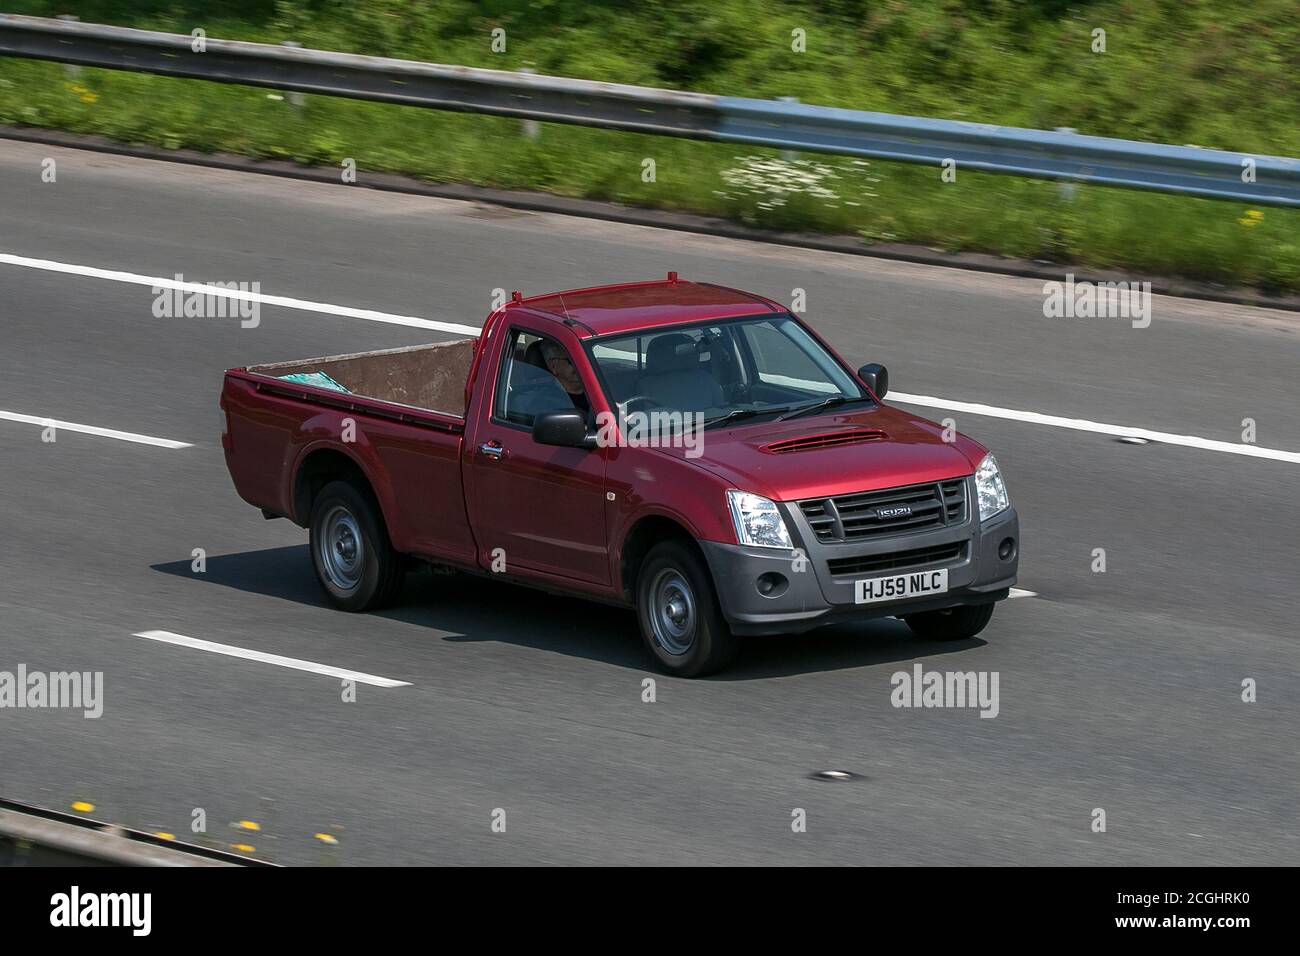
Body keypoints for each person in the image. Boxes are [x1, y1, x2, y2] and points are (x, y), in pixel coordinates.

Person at [540, 339, 590, 416]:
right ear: (553, 366)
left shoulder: (602, 388)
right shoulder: (547, 402)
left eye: (584, 359)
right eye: (572, 360)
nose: (582, 365)